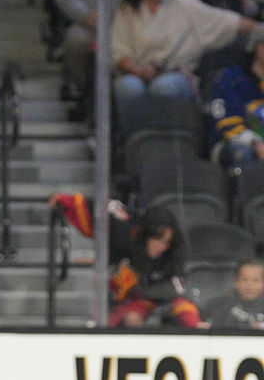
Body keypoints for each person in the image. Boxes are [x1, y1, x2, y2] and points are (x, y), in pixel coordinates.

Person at [111, 0, 260, 128]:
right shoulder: (128, 9)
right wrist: (140, 71)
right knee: (129, 87)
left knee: (163, 87)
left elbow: (229, 22)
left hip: (175, 74)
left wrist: (259, 29)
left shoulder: (184, 5)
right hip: (134, 72)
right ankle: (133, 142)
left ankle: (163, 141)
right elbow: (119, 51)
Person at [51, 192, 200, 327]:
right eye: (159, 240)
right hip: (122, 298)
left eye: (167, 242)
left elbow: (177, 295)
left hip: (148, 295)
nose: (163, 247)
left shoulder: (170, 255)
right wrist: (64, 201)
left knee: (187, 311)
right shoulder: (123, 231)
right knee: (128, 319)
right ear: (146, 235)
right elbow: (101, 206)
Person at [53, 0, 167, 111]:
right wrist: (84, 14)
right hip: (96, 25)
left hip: (144, 24)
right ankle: (87, 93)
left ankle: (153, 97)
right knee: (76, 39)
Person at [207, 26, 264, 170]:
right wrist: (255, 143)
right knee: (242, 153)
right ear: (256, 46)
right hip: (234, 143)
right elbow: (224, 121)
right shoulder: (231, 78)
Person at [203, 258, 264, 329]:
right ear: (236, 282)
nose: (249, 285)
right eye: (244, 279)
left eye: (255, 280)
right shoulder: (218, 307)